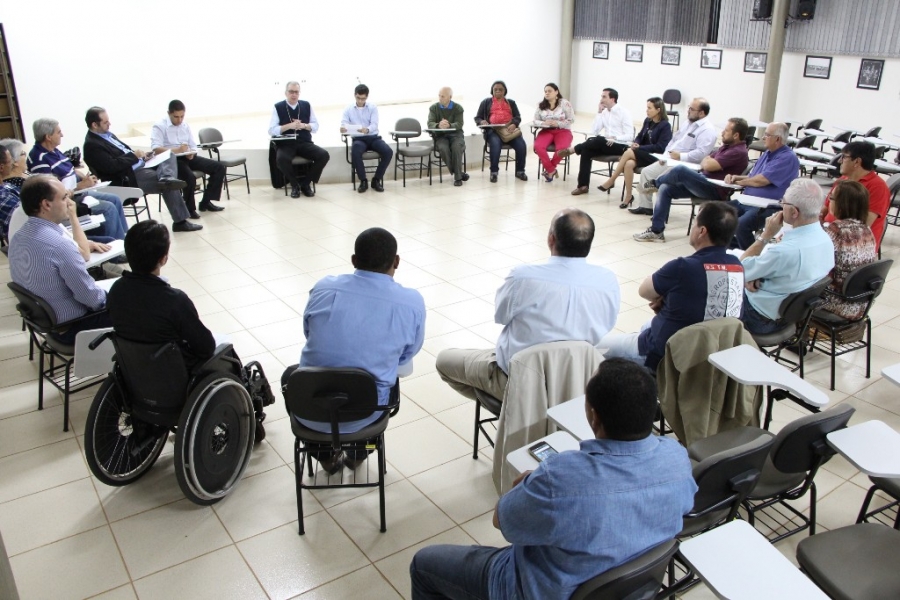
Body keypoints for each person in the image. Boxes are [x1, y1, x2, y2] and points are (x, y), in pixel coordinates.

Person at [409, 358, 697, 600]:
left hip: (538, 590)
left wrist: (528, 485)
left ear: (593, 417)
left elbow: (502, 521)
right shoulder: (676, 459)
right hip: (624, 587)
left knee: (423, 564)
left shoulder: (560, 480)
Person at [436, 208, 619, 402]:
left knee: (444, 361)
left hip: (520, 379)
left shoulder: (523, 277)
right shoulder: (608, 281)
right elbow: (607, 325)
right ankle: (541, 411)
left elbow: (501, 316)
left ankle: (516, 408)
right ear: (589, 244)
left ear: (551, 239)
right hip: (576, 381)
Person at [287, 227, 426, 473]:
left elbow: (308, 332)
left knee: (291, 375)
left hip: (310, 410)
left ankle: (325, 457)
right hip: (367, 413)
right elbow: (408, 353)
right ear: (397, 261)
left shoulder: (323, 288)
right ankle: (359, 452)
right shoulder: (411, 302)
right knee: (389, 383)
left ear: (353, 261)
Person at [601, 202, 744, 370]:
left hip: (667, 356)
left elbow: (644, 291)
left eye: (695, 222)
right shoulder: (737, 267)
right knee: (647, 325)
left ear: (702, 231)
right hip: (711, 356)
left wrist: (666, 298)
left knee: (594, 347)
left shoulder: (683, 267)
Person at [8, 176, 112, 344]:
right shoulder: (59, 246)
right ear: (46, 205)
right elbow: (93, 299)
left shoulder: (18, 238)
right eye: (64, 198)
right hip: (73, 328)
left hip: (45, 325)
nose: (70, 202)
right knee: (138, 303)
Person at [107, 220, 216, 372]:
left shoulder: (116, 290)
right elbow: (206, 347)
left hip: (135, 371)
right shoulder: (175, 300)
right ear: (163, 259)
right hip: (174, 374)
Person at [82, 107, 202, 233]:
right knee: (168, 185)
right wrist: (134, 156)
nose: (109, 124)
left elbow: (123, 153)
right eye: (105, 122)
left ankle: (166, 177)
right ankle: (180, 220)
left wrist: (143, 157)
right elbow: (112, 166)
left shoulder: (108, 135)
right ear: (94, 125)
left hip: (140, 166)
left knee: (169, 155)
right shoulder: (92, 145)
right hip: (128, 177)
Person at [740, 178, 834, 335]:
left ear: (794, 212)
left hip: (760, 319)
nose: (781, 206)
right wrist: (759, 277)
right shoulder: (826, 240)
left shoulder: (784, 252)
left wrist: (765, 236)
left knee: (716, 282)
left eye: (783, 203)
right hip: (794, 316)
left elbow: (739, 269)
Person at [633, 118, 750, 242]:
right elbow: (705, 160)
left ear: (736, 135)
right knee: (665, 188)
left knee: (680, 170)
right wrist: (707, 162)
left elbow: (708, 164)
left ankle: (654, 183)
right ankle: (657, 231)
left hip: (715, 189)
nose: (722, 133)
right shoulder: (726, 147)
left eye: (726, 131)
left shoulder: (738, 151)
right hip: (703, 182)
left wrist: (707, 162)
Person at [26, 119, 130, 240]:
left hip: (77, 192)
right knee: (108, 208)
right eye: (59, 132)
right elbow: (52, 193)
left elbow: (70, 169)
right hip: (68, 200)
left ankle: (124, 241)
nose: (62, 135)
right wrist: (80, 186)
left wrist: (84, 178)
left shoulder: (54, 150)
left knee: (115, 199)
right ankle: (116, 251)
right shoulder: (39, 160)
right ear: (48, 137)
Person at [566, 96, 671, 204]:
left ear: (658, 110)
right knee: (628, 163)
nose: (646, 110)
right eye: (647, 108)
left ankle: (612, 180)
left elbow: (661, 147)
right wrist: (637, 143)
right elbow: (640, 136)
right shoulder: (648, 121)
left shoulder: (665, 126)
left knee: (618, 148)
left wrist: (639, 147)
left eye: (650, 108)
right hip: (639, 152)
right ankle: (628, 196)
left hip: (653, 156)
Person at [630, 97, 717, 215]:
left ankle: (659, 208)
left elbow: (701, 153)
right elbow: (673, 141)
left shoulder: (708, 130)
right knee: (647, 172)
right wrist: (665, 156)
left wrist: (681, 156)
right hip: (671, 160)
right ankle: (646, 207)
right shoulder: (687, 123)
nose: (688, 111)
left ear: (701, 113)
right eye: (689, 108)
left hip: (686, 165)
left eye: (691, 109)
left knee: (661, 179)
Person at [726, 122, 801, 249]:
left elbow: (761, 180)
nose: (763, 138)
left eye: (767, 135)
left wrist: (739, 182)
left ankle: (752, 256)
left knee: (741, 225)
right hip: (747, 201)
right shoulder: (767, 153)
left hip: (768, 206)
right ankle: (735, 248)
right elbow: (753, 177)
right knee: (712, 212)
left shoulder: (787, 158)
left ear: (777, 139)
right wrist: (736, 177)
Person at [555, 88, 638, 196]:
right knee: (586, 150)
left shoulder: (624, 113)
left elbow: (630, 136)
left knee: (598, 140)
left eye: (604, 97)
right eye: (601, 96)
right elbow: (594, 131)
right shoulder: (604, 113)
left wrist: (615, 137)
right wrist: (599, 112)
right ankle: (583, 186)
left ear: (612, 99)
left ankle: (573, 149)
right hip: (605, 144)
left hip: (621, 146)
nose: (601, 99)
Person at [151, 99, 226, 216]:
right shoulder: (160, 126)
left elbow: (193, 145)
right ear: (169, 113)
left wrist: (191, 152)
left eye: (182, 116)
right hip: (173, 160)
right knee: (189, 178)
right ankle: (190, 209)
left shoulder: (185, 125)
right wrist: (176, 150)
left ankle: (206, 201)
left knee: (219, 167)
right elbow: (156, 149)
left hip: (187, 157)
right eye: (176, 117)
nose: (179, 120)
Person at [819, 180, 877, 321]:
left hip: (838, 302)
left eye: (831, 198)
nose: (828, 201)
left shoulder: (836, 230)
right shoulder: (866, 229)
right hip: (862, 303)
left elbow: (815, 262)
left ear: (842, 203)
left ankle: (794, 338)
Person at [821, 141, 890, 253]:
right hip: (830, 234)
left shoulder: (878, 187)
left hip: (853, 246)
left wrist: (829, 231)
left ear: (857, 161)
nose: (839, 161)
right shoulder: (842, 180)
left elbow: (862, 227)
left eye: (844, 157)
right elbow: (825, 209)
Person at [268, 81, 331, 198]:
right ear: (286, 93)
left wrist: (304, 126)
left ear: (299, 93)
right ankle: (294, 185)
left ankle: (306, 184)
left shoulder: (306, 105)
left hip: (304, 142)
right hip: (286, 143)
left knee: (324, 155)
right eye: (291, 92)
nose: (293, 94)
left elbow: (315, 126)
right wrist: (289, 126)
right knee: (281, 159)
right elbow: (272, 130)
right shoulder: (278, 107)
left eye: (296, 92)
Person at [340, 84, 393, 193]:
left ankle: (376, 179)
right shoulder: (348, 109)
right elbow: (344, 123)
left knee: (388, 151)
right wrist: (343, 128)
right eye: (358, 98)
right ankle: (363, 180)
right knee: (355, 151)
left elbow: (374, 124)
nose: (360, 101)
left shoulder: (372, 107)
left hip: (373, 137)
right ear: (355, 95)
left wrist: (367, 130)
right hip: (359, 139)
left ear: (367, 97)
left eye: (363, 98)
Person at [474, 80, 528, 183]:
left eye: (500, 89)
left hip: (509, 130)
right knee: (495, 143)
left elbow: (517, 117)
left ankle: (520, 171)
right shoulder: (486, 102)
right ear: (492, 91)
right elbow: (477, 118)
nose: (498, 91)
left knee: (521, 145)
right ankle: (494, 172)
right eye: (495, 89)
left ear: (505, 91)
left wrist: (514, 124)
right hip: (492, 131)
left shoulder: (511, 103)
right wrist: (482, 121)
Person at [532, 83, 574, 182]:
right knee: (538, 146)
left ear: (556, 92)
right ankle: (551, 170)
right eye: (545, 91)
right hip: (546, 130)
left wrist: (558, 123)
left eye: (549, 91)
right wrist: (543, 122)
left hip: (563, 131)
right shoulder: (540, 105)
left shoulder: (565, 103)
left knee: (561, 149)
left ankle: (550, 170)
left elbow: (571, 119)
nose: (547, 93)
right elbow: (535, 120)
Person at [427, 87, 468, 187]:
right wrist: (438, 125)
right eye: (439, 96)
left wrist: (449, 125)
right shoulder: (434, 108)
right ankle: (459, 173)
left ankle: (458, 179)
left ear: (450, 97)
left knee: (456, 147)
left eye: (443, 96)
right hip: (441, 136)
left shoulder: (458, 108)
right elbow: (430, 123)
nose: (440, 98)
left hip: (456, 135)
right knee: (443, 148)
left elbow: (459, 123)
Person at [0, 145, 22, 242]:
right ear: (1, 167)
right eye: (10, 161)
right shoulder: (3, 198)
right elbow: (25, 219)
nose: (13, 163)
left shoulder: (6, 185)